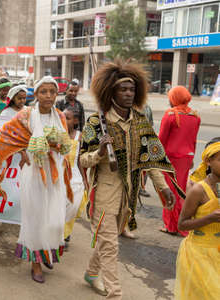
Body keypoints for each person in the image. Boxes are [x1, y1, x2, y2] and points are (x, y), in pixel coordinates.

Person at [80, 60, 178, 299]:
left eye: (131, 89)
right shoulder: (96, 122)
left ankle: (91, 273)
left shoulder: (140, 121)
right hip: (104, 193)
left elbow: (151, 158)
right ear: (111, 91)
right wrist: (100, 153)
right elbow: (82, 160)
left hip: (128, 195)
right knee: (111, 245)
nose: (127, 93)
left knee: (108, 241)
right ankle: (115, 294)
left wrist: (163, 187)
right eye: (122, 89)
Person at [0, 76, 73, 283]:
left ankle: (46, 252)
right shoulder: (26, 115)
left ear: (57, 94)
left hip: (54, 171)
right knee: (36, 217)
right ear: (35, 95)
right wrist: (22, 151)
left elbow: (66, 143)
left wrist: (57, 147)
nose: (48, 96)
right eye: (43, 92)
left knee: (54, 218)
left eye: (52, 92)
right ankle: (36, 262)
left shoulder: (61, 117)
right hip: (33, 172)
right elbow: (2, 136)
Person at [174, 137, 220, 300]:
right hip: (199, 254)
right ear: (208, 161)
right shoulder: (199, 190)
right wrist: (210, 218)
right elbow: (182, 224)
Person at [158, 86, 200, 236]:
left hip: (170, 159)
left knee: (169, 191)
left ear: (174, 98)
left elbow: (161, 140)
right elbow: (193, 141)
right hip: (186, 157)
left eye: (170, 97)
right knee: (180, 190)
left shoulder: (170, 115)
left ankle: (171, 226)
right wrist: (192, 157)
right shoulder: (195, 116)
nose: (169, 100)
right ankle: (181, 224)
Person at [63, 108, 88, 250]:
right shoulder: (57, 135)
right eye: (62, 117)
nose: (64, 120)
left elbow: (79, 160)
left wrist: (84, 179)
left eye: (67, 118)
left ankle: (66, 234)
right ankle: (59, 236)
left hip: (74, 176)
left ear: (75, 121)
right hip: (59, 175)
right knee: (59, 207)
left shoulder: (79, 136)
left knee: (72, 205)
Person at [138, 104, 154, 198]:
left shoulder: (147, 107)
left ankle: (141, 188)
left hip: (145, 141)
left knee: (145, 167)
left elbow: (150, 125)